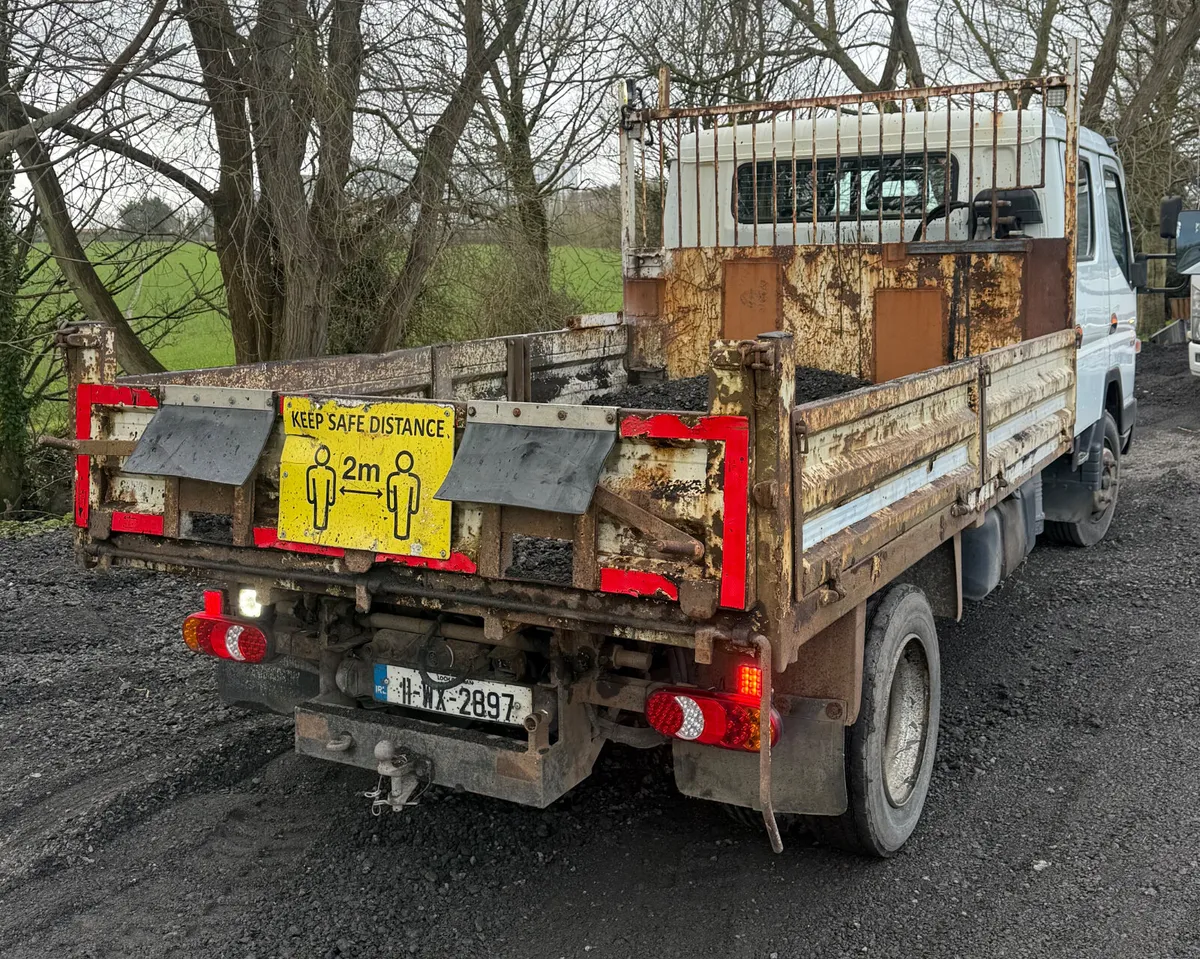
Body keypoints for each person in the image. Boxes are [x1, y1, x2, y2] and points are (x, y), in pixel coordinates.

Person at [386, 450, 421, 541]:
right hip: (399, 506)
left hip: (406, 507)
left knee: (405, 520)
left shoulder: (413, 480)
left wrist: (413, 509)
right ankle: (399, 533)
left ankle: (404, 534)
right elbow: (390, 495)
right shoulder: (393, 478)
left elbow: (415, 496)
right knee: (399, 519)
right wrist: (392, 507)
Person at [306, 444, 337, 531]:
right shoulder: (313, 471)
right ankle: (317, 524)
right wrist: (311, 498)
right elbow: (310, 486)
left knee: (324, 511)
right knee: (317, 509)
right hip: (318, 495)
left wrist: (331, 500)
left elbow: (332, 487)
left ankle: (322, 525)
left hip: (325, 496)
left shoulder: (329, 473)